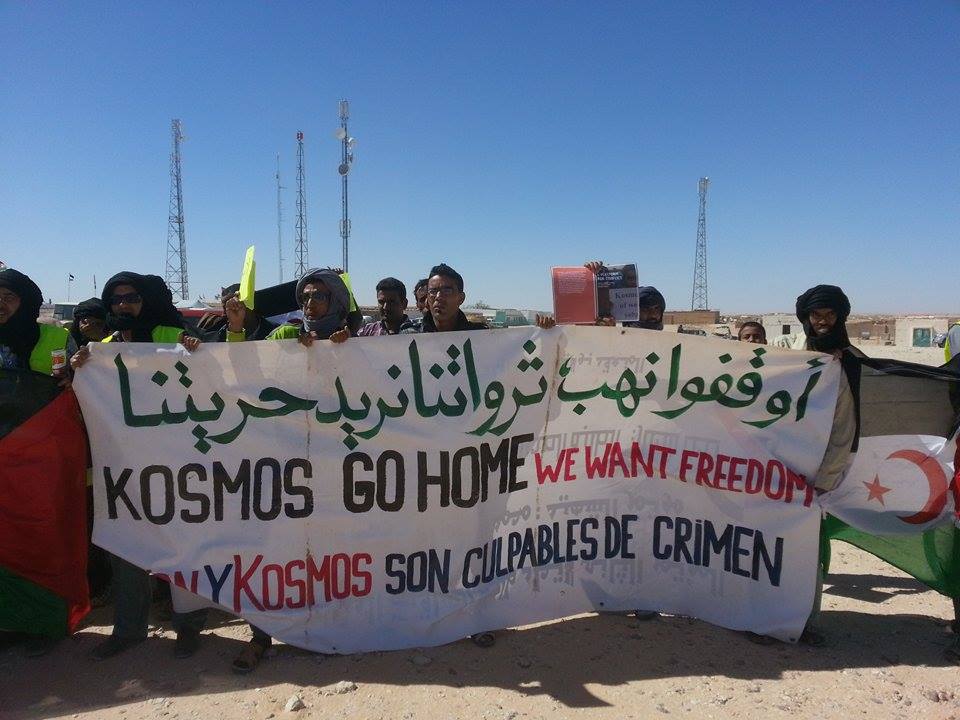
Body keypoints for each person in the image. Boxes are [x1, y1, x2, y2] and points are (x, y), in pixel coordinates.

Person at [70, 272, 205, 660]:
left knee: (182, 544)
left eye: (131, 298)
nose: (123, 306)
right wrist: (81, 366)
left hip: (175, 460)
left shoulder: (169, 334)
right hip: (123, 465)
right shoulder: (103, 348)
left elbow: (206, 371)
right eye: (116, 300)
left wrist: (198, 348)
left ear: (146, 301)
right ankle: (129, 630)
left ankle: (189, 626)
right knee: (124, 545)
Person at [221, 267, 350, 673]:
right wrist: (237, 330)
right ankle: (261, 635)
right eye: (305, 296)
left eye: (319, 297)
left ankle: (332, 630)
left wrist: (339, 351)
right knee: (274, 550)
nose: (309, 303)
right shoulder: (282, 336)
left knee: (333, 551)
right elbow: (244, 372)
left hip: (335, 465)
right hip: (285, 462)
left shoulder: (355, 340)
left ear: (336, 302)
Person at [404, 264, 488, 334]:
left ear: (461, 298)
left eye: (447, 291)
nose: (438, 297)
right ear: (427, 300)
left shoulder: (481, 336)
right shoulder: (409, 337)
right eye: (433, 291)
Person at [584, 261, 665, 330]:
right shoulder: (615, 339)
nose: (653, 314)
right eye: (645, 309)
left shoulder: (668, 341)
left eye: (657, 309)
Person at [211, 283, 276, 341]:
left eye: (233, 305)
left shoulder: (276, 334)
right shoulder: (215, 336)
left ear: (251, 304)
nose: (226, 313)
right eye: (225, 307)